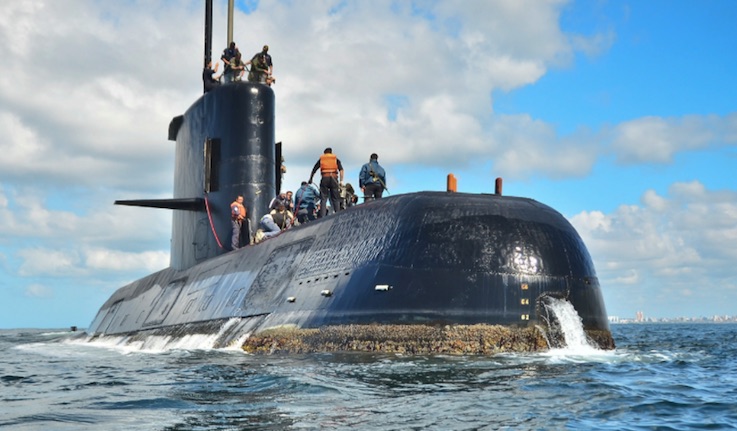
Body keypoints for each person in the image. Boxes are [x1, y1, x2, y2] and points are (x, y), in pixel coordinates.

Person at [309, 147, 344, 217]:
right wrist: (341, 180)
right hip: (334, 178)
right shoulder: (335, 159)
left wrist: (311, 179)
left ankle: (323, 216)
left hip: (325, 178)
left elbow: (314, 169)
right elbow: (341, 170)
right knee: (335, 198)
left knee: (323, 198)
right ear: (331, 152)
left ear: (324, 153)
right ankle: (338, 214)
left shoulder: (322, 159)